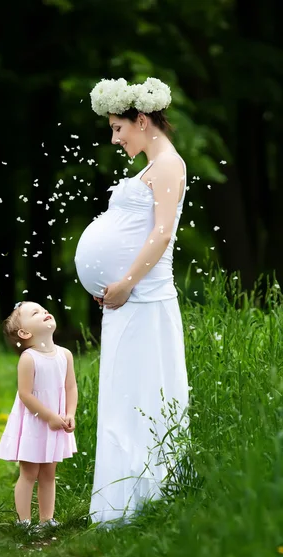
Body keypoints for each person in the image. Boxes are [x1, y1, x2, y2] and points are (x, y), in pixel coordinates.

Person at [75, 77, 189, 524]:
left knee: (143, 393)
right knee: (123, 395)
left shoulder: (168, 166)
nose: (114, 137)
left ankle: (146, 504)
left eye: (117, 127)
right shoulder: (150, 166)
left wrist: (124, 283)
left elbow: (163, 233)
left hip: (143, 300)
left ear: (141, 120)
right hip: (129, 303)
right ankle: (121, 504)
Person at [0, 301, 78, 528]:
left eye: (44, 309)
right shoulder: (29, 358)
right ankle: (24, 521)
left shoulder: (65, 355)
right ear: (24, 332)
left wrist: (70, 413)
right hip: (35, 422)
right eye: (35, 312)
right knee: (30, 472)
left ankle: (46, 519)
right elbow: (25, 394)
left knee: (49, 473)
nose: (45, 312)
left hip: (57, 421)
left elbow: (71, 387)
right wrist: (49, 416)